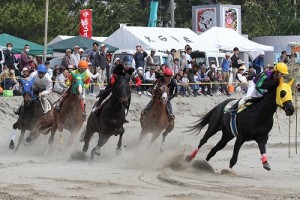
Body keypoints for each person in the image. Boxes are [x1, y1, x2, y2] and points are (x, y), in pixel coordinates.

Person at [92, 55, 135, 121]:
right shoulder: (117, 68)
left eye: (129, 64)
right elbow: (113, 78)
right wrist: (114, 85)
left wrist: (133, 82)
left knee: (128, 98)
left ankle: (125, 113)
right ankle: (97, 105)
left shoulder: (131, 70)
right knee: (106, 93)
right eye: (126, 64)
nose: (127, 66)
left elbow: (133, 79)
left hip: (124, 86)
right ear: (122, 63)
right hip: (114, 83)